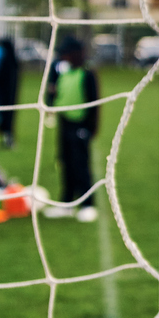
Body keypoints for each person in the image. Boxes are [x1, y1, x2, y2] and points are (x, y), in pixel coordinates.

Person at [50, 38, 100, 223]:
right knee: (65, 162)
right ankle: (67, 203)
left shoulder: (87, 74)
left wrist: (91, 128)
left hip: (80, 125)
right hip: (64, 123)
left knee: (81, 165)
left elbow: (95, 103)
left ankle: (88, 204)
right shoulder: (63, 73)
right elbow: (56, 93)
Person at [0, 34, 22, 147]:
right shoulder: (13, 60)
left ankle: (8, 139)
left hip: (5, 95)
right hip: (11, 95)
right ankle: (8, 138)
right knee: (8, 117)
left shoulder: (6, 60)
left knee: (6, 117)